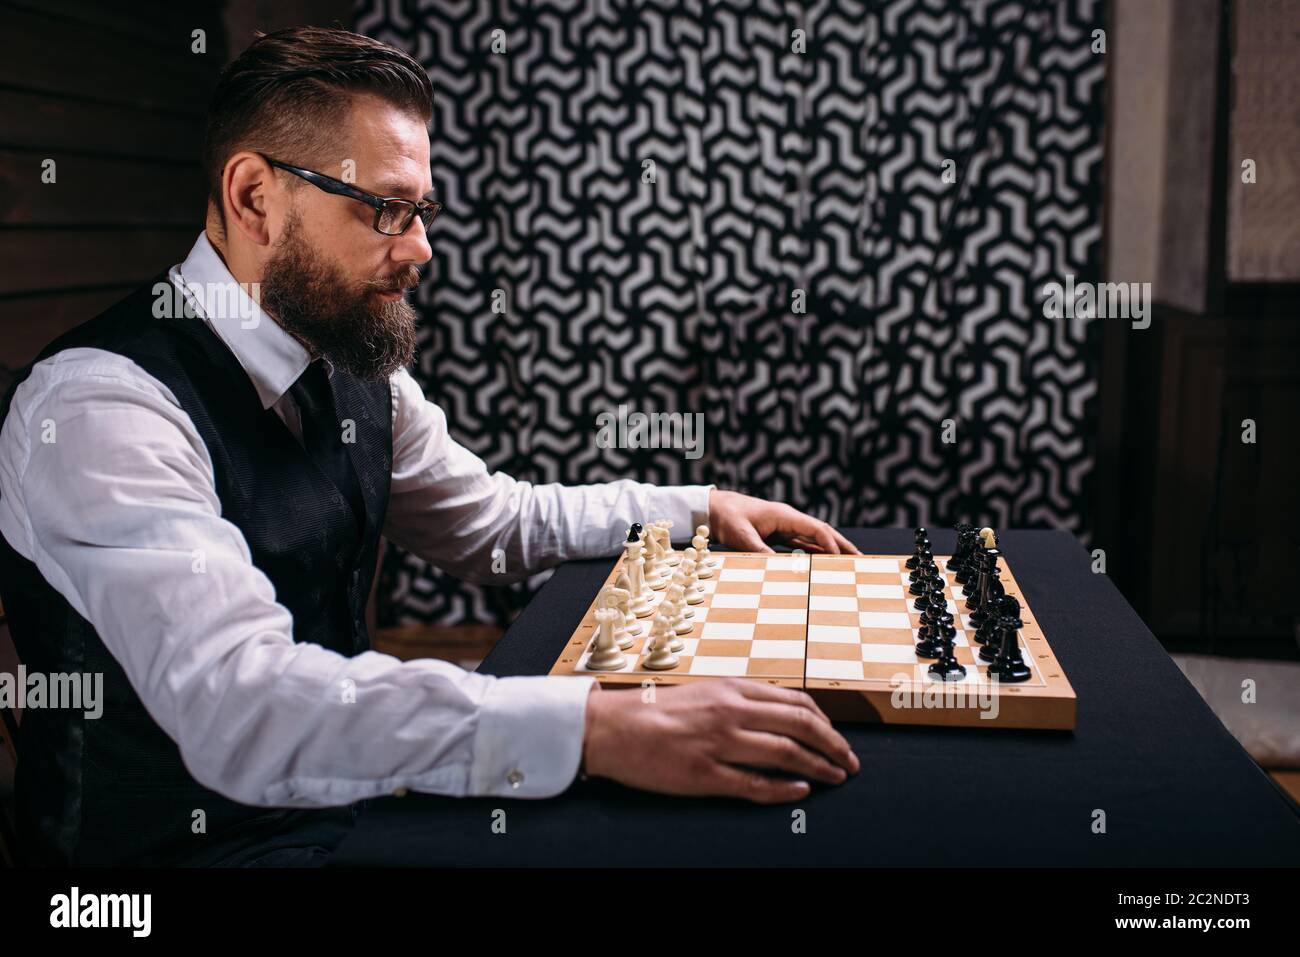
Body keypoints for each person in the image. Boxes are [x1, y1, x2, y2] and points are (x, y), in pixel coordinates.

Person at [0, 27, 859, 867]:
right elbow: (241, 702)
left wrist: (697, 507)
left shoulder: (340, 352)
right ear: (255, 196)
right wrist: (596, 724)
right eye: (385, 209)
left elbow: (494, 522)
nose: (421, 248)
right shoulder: (99, 407)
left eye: (422, 210)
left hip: (351, 800)